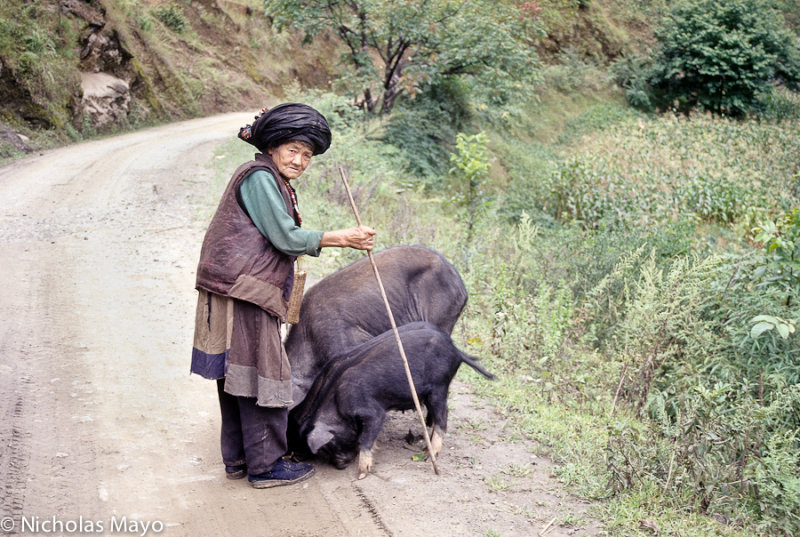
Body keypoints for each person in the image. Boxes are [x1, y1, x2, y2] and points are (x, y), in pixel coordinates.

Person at [190, 103, 375, 488]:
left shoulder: (271, 179)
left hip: (235, 287)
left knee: (236, 376)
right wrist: (343, 238)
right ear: (272, 147)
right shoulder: (259, 177)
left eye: (307, 154)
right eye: (293, 150)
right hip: (245, 291)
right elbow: (284, 238)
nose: (301, 160)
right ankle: (266, 466)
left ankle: (239, 459)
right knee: (263, 376)